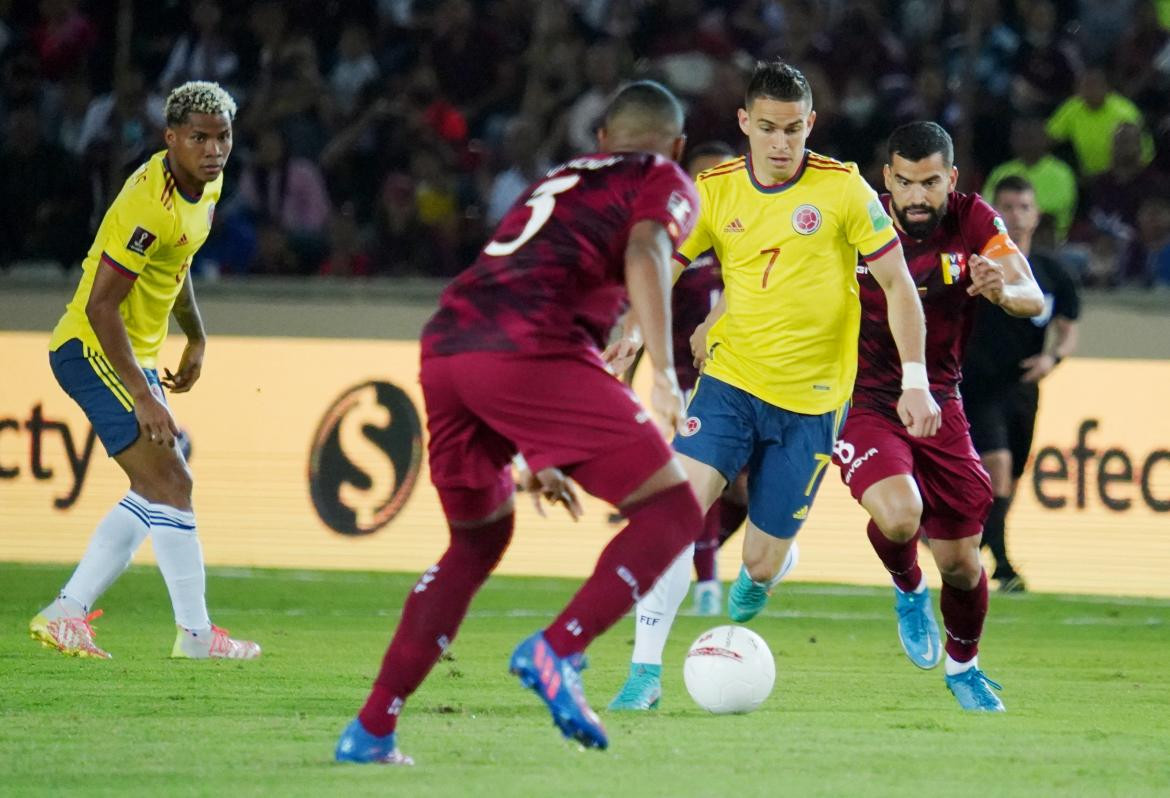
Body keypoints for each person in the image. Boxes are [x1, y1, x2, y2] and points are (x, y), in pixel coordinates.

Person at [334, 81, 703, 764]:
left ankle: (372, 729)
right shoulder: (661, 175)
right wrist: (664, 372)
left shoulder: (558, 179)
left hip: (448, 347)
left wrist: (543, 451)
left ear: (602, 140)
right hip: (530, 347)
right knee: (674, 511)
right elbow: (650, 249)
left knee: (477, 541)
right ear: (676, 145)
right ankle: (557, 649)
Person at [608, 60, 936, 711]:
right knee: (671, 515)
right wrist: (632, 332)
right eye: (767, 129)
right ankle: (643, 674)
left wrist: (916, 380)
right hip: (729, 385)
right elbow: (659, 267)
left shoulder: (845, 191)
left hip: (811, 406)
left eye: (793, 129)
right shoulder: (715, 189)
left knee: (758, 564)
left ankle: (772, 568)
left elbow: (899, 284)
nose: (782, 144)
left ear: (810, 124)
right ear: (743, 124)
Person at [29, 81, 260, 661]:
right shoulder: (146, 203)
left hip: (135, 354)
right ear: (172, 138)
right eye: (200, 138)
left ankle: (66, 612)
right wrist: (143, 394)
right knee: (174, 484)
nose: (214, 149)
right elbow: (101, 306)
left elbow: (175, 267)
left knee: (154, 488)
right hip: (93, 348)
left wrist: (197, 336)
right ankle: (196, 635)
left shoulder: (208, 186)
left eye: (223, 137)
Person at [833, 122, 1044, 712]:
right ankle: (907, 587)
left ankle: (964, 667)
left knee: (961, 562)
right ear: (888, 180)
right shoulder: (857, 217)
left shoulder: (972, 218)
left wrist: (1003, 290)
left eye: (930, 182)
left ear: (949, 179)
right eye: (905, 182)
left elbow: (1034, 296)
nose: (917, 195)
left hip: (942, 402)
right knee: (900, 517)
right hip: (865, 401)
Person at [607, 140, 748, 618]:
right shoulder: (676, 241)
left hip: (755, 380)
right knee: (700, 479)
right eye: (701, 176)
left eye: (720, 173)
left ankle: (676, 557)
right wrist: (629, 374)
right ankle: (706, 583)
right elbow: (648, 314)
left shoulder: (748, 235)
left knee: (745, 492)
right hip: (696, 381)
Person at [964, 176, 1081, 592]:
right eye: (1008, 207)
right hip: (978, 385)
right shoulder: (978, 263)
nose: (1015, 215)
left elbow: (1068, 328)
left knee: (1010, 480)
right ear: (994, 213)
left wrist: (1053, 357)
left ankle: (973, 547)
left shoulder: (1053, 273)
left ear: (1036, 216)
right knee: (997, 469)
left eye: (1023, 207)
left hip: (1023, 388)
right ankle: (1003, 564)